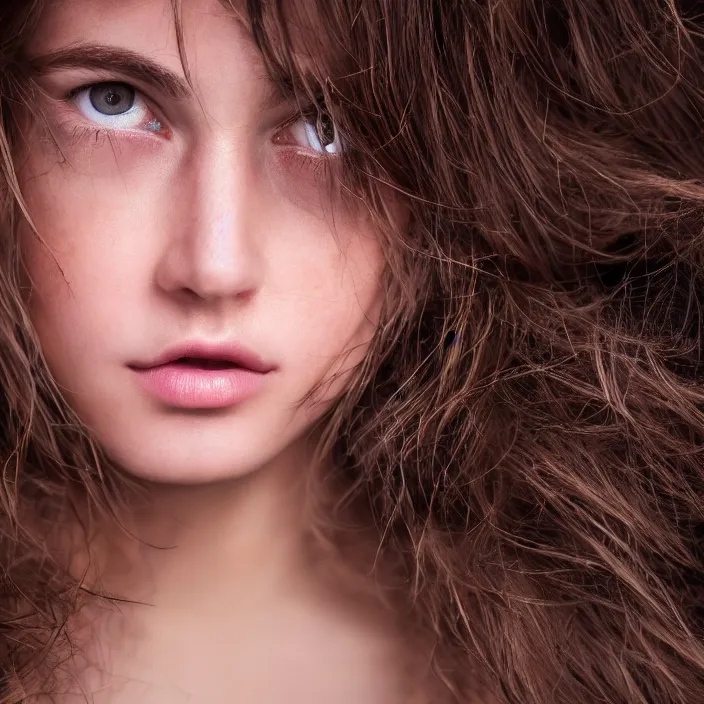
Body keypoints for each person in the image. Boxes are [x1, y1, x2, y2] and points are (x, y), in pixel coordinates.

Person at [0, 0, 703, 701]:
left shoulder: (619, 662)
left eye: (325, 128)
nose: (214, 268)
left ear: (448, 186)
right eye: (113, 103)